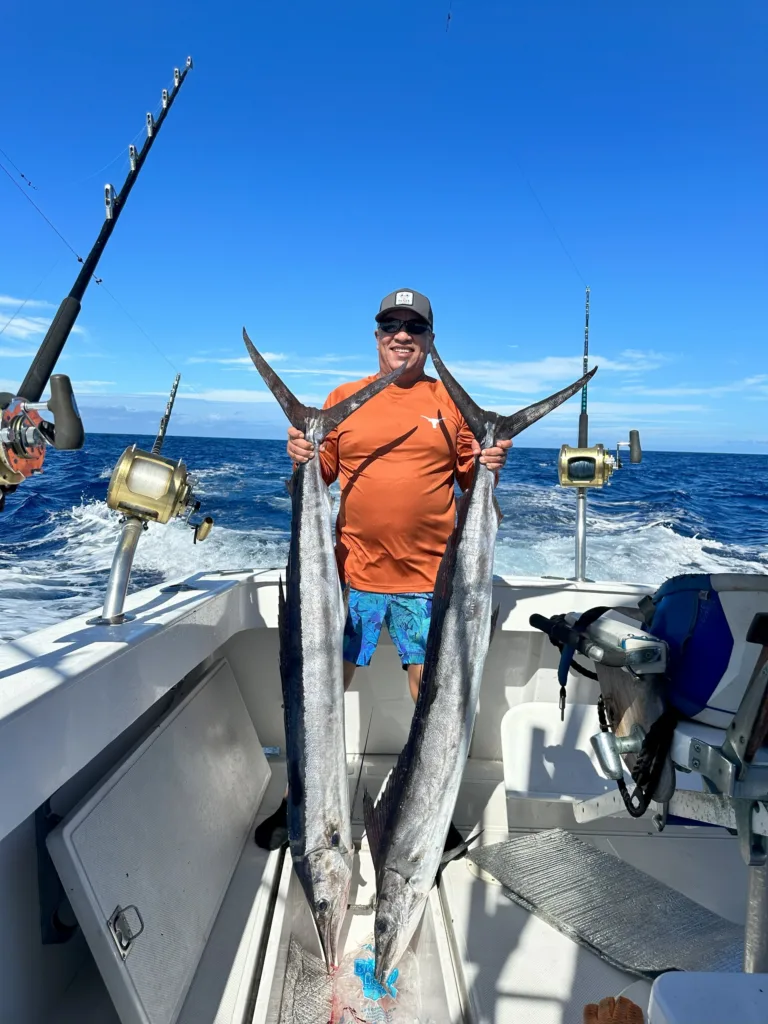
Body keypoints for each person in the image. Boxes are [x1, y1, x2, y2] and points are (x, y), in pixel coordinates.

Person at [255, 288, 511, 850]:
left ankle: (430, 815)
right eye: (391, 325)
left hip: (430, 585)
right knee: (314, 699)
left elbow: (473, 479)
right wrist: (301, 449)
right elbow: (320, 475)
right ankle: (296, 801)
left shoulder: (450, 405)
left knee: (432, 705)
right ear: (376, 336)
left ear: (429, 339)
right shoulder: (342, 399)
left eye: (414, 328)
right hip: (351, 581)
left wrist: (493, 459)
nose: (402, 335)